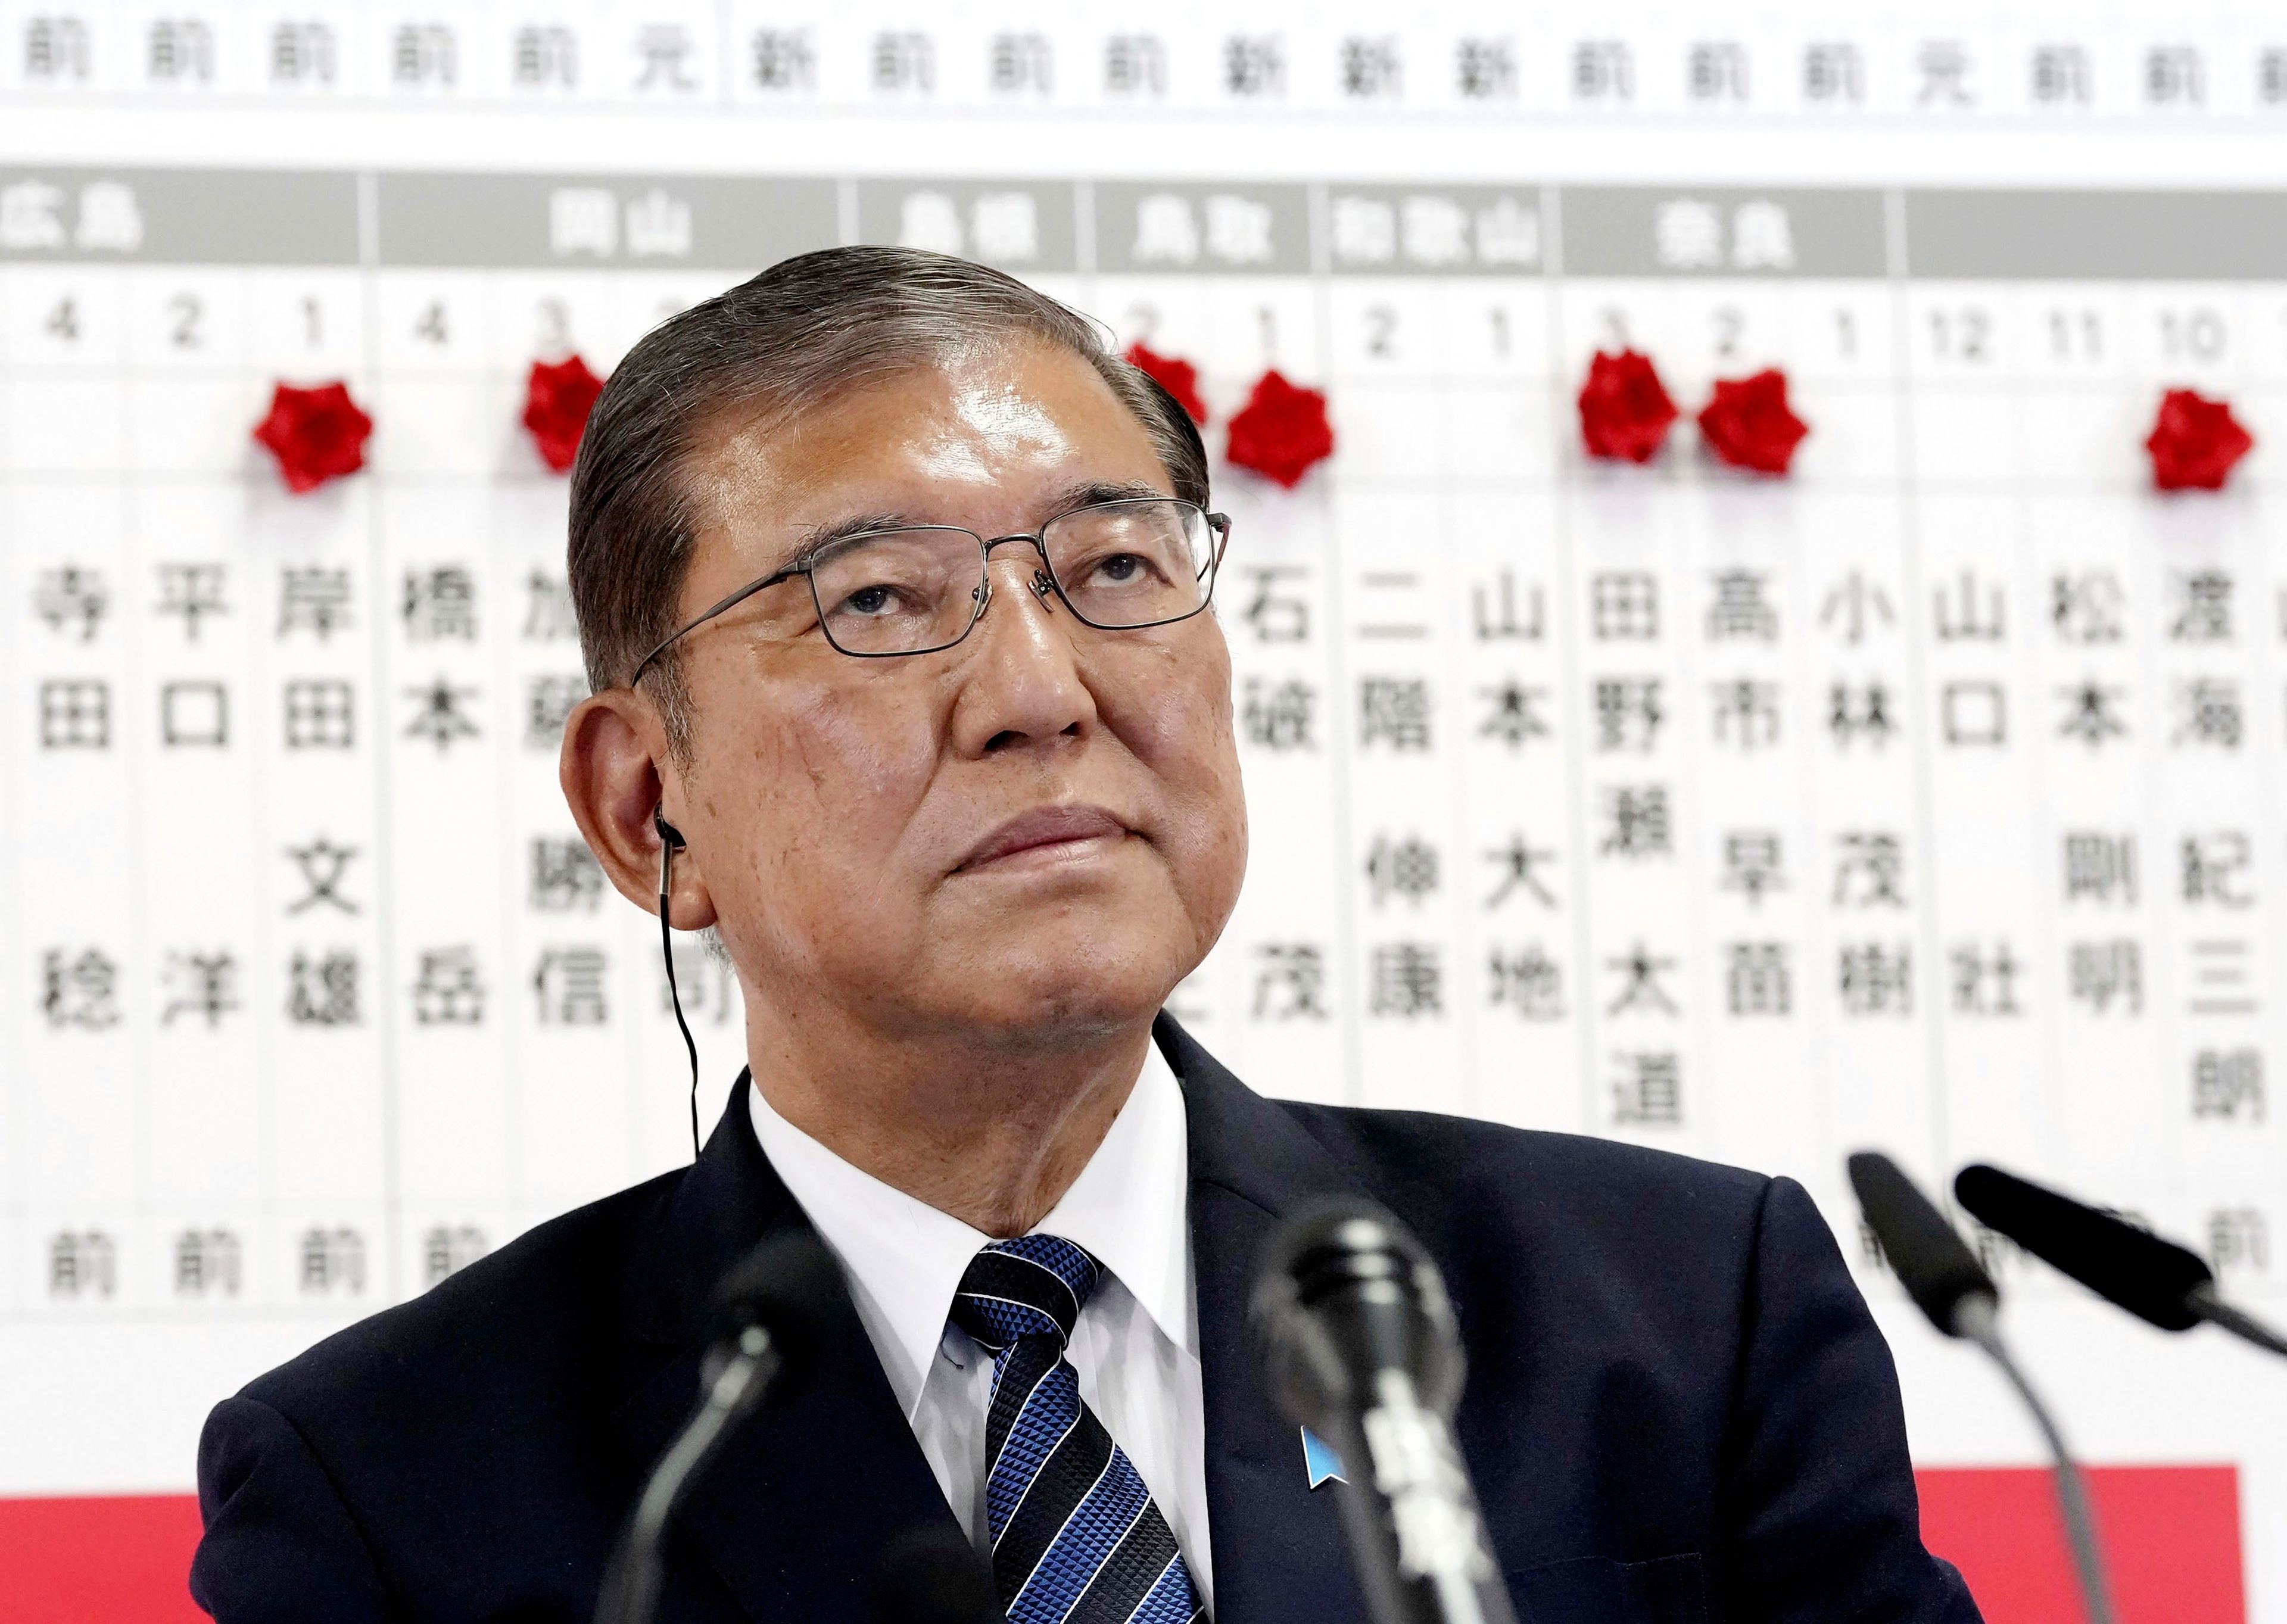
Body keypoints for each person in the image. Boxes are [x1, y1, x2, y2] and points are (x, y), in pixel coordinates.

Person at [191, 248, 1979, 1624]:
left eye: (1116, 568)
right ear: (649, 807)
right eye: (880, 599)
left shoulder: (1672, 1316)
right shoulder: (398, 1488)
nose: (1041, 692)